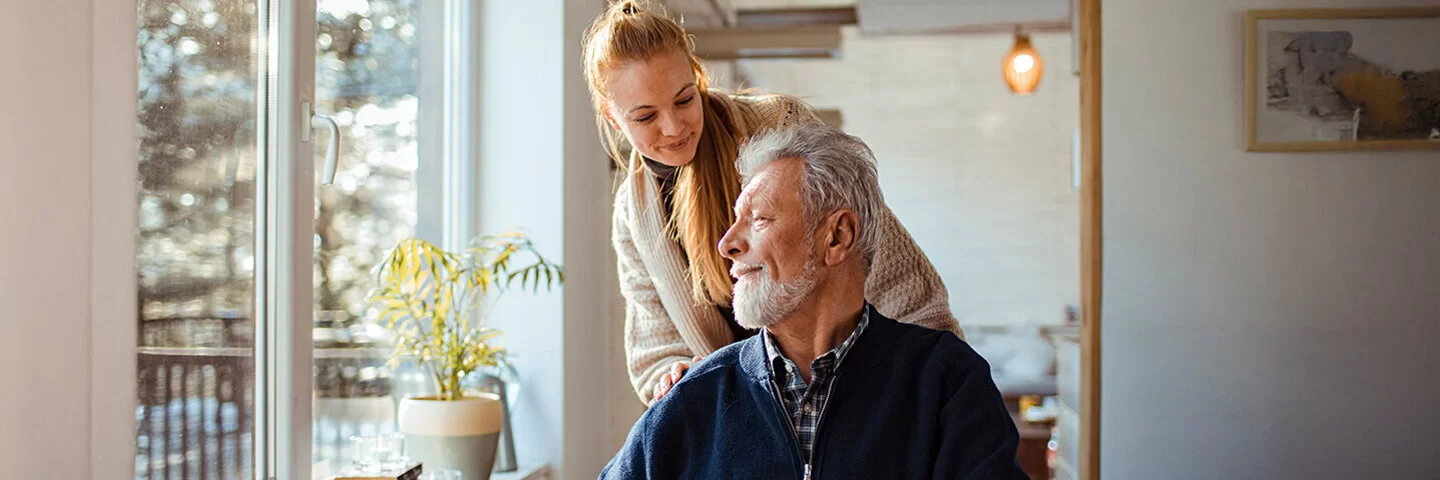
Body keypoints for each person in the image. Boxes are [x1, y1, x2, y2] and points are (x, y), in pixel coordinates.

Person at [583, 0, 963, 405]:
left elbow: (885, 263)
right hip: (752, 418)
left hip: (857, 388)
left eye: (684, 100)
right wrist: (673, 373)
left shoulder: (778, 126)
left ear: (698, 76)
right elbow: (654, 350)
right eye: (645, 117)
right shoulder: (632, 214)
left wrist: (940, 378)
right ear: (611, 115)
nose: (673, 127)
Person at [599, 124, 1025, 479]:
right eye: (734, 221)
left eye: (759, 219)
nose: (727, 243)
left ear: (837, 237)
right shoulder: (693, 400)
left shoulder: (947, 383)